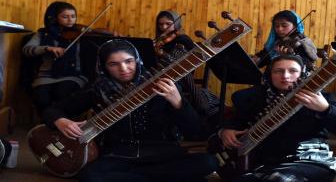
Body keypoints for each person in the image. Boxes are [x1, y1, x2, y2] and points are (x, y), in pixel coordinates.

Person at [43, 39, 218, 182]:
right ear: (104, 67)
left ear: (137, 60)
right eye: (114, 64)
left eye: (129, 61)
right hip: (119, 156)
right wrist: (61, 120)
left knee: (208, 162)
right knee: (89, 175)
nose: (124, 69)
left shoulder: (164, 86)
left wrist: (178, 102)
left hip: (162, 154)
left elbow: (196, 132)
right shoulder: (97, 89)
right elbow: (53, 110)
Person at [220, 55, 336, 182]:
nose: (285, 76)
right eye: (278, 71)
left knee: (280, 179)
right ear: (270, 75)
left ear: (302, 74)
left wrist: (326, 110)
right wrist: (227, 130)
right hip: (268, 161)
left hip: (309, 160)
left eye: (293, 71)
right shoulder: (255, 97)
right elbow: (236, 121)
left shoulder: (322, 98)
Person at [154, 10, 220, 136]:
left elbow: (178, 65)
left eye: (168, 24)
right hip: (162, 78)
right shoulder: (160, 42)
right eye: (160, 24)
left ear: (176, 24)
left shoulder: (183, 39)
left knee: (161, 89)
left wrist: (161, 54)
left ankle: (168, 130)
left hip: (181, 80)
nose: (163, 27)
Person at [22, 1, 88, 114]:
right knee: (41, 99)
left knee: (62, 94)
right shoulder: (42, 34)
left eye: (73, 16)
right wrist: (47, 48)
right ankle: (46, 125)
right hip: (46, 75)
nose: (70, 20)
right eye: (65, 17)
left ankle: (63, 124)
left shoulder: (80, 33)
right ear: (54, 18)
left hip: (72, 75)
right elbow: (27, 50)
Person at [252, 10, 318, 74]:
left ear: (295, 26)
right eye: (277, 26)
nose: (280, 29)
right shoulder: (277, 42)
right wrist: (257, 59)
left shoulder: (301, 42)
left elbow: (307, 65)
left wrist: (289, 57)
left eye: (284, 26)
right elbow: (266, 55)